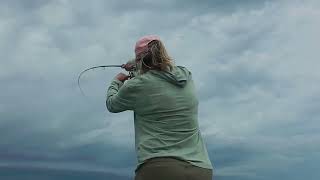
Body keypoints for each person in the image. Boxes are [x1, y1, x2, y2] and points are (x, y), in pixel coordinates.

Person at [106, 35, 213, 180]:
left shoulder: (137, 85)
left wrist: (116, 81)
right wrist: (137, 66)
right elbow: (160, 75)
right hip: (201, 170)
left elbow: (112, 104)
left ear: (139, 59)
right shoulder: (185, 76)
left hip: (159, 168)